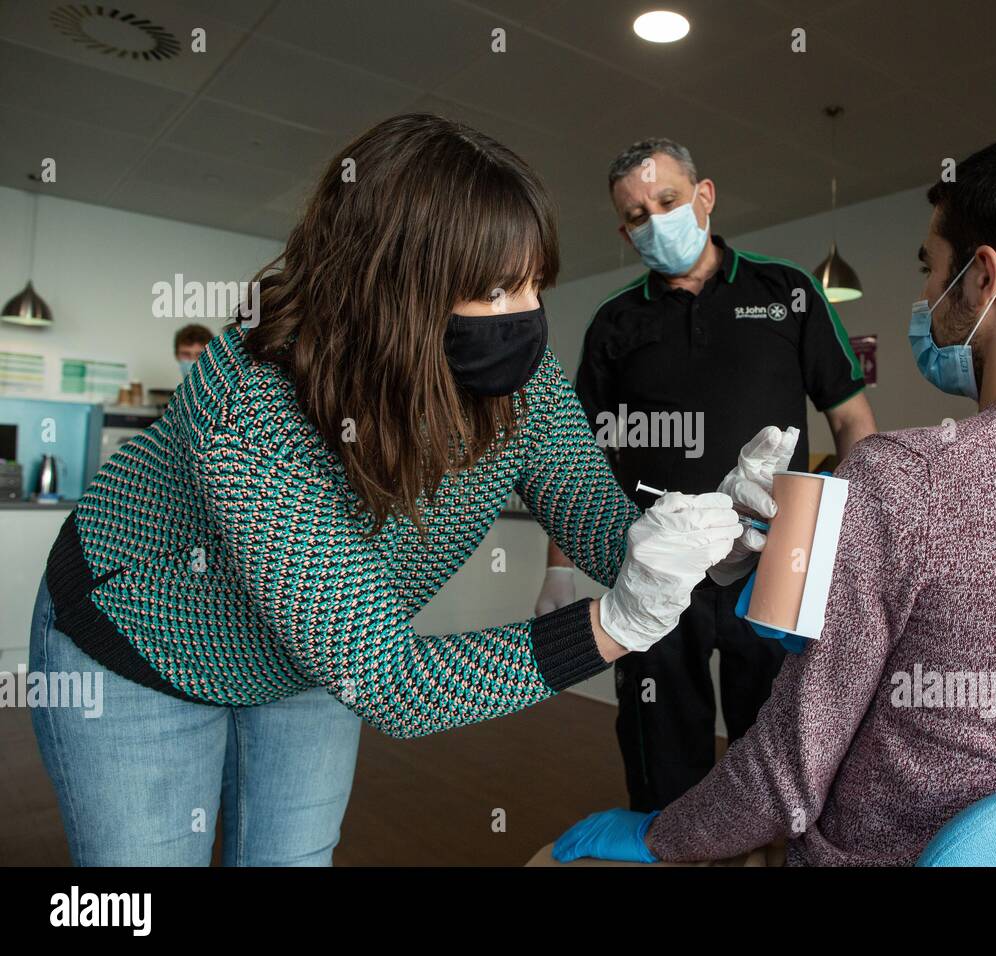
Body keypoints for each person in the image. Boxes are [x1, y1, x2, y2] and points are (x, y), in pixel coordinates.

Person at [26, 114, 788, 866]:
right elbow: (392, 683)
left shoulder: (519, 385)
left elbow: (597, 519)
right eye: (495, 288)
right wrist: (614, 625)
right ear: (390, 290)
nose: (526, 317)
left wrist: (712, 535)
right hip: (146, 640)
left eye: (533, 283)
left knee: (292, 858)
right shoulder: (253, 405)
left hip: (311, 658)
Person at [550, 129, 996, 866]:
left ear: (983, 279)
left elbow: (781, 787)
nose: (926, 296)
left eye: (931, 269)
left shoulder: (908, 479)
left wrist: (654, 835)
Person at [534, 137, 877, 812]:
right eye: (636, 215)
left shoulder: (788, 292)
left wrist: (849, 536)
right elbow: (578, 458)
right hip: (657, 569)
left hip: (772, 562)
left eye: (666, 200)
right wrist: (558, 568)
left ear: (704, 196)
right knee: (660, 752)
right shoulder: (615, 324)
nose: (654, 222)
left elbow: (853, 422)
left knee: (778, 750)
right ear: (623, 229)